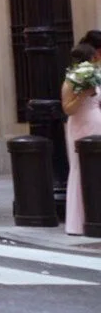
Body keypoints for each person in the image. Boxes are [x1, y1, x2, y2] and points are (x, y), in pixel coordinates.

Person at [65, 42, 101, 237]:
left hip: (97, 122)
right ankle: (78, 222)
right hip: (81, 124)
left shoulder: (96, 77)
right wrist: (84, 93)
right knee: (81, 168)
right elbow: (68, 108)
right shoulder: (72, 79)